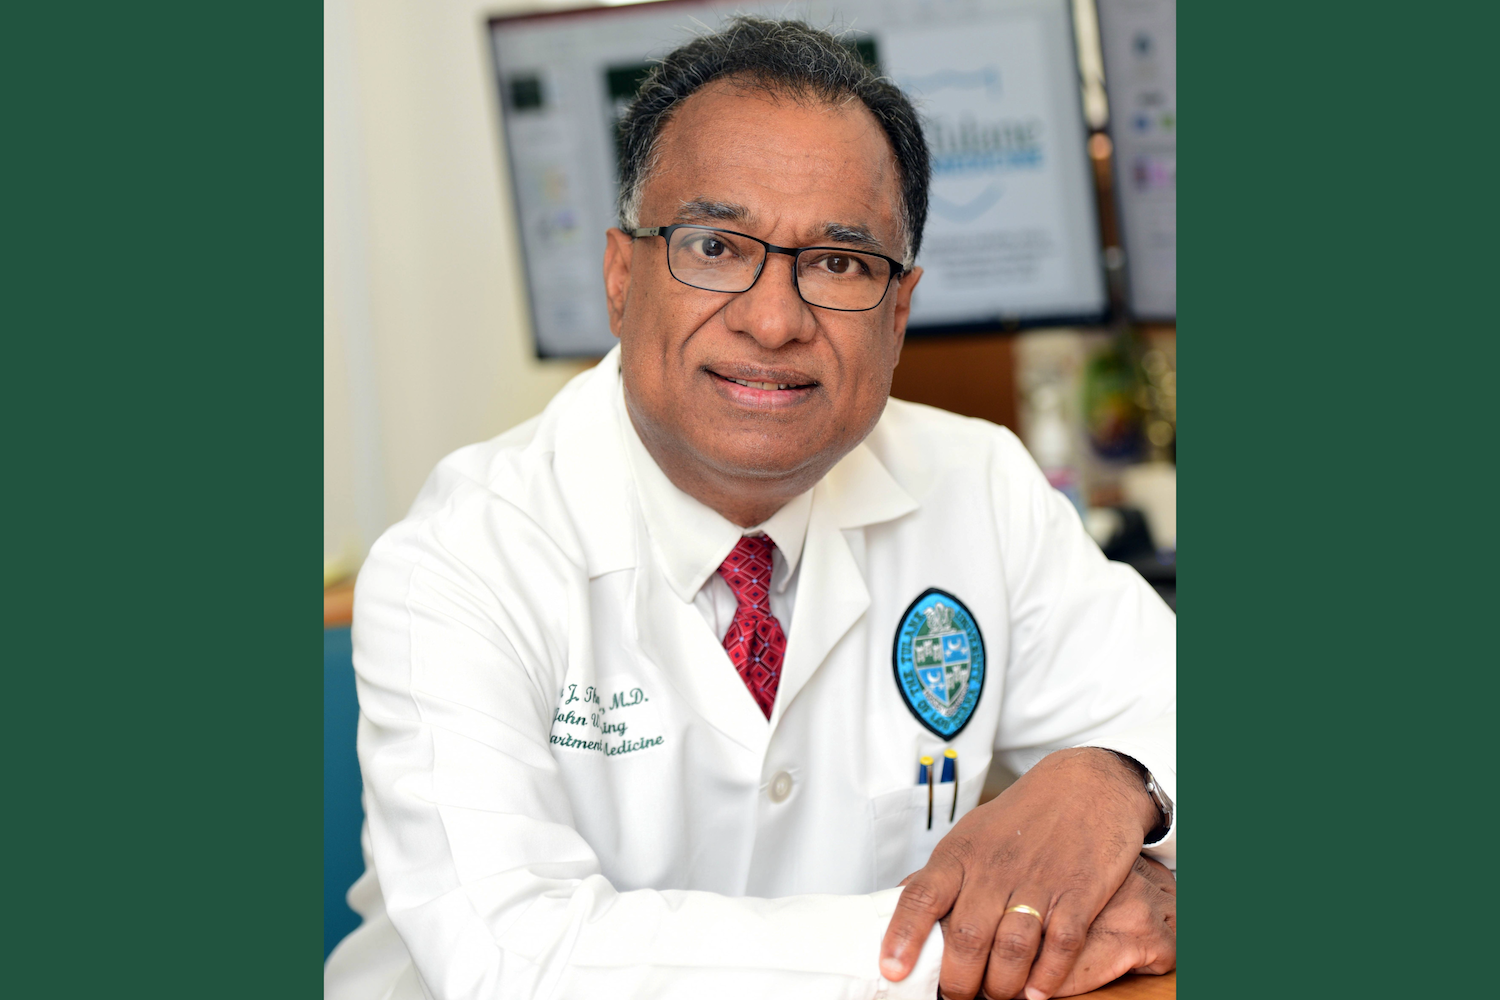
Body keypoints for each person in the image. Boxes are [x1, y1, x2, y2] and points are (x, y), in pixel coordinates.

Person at [325, 16, 1175, 1000]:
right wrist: (976, 940)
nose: (774, 321)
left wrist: (1122, 781)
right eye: (716, 247)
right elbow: (519, 958)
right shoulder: (461, 556)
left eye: (840, 263)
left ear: (899, 313)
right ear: (620, 276)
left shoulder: (976, 483)